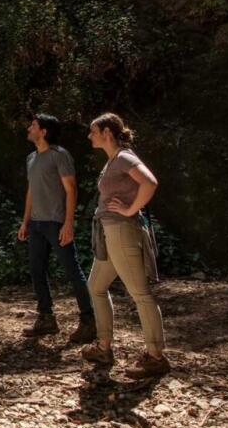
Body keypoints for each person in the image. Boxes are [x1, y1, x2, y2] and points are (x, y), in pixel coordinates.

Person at [80, 113, 170, 379]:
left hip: (122, 232)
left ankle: (156, 357)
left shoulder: (123, 157)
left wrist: (131, 210)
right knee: (95, 286)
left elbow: (150, 182)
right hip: (110, 233)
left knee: (140, 294)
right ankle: (104, 348)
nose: (89, 136)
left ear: (107, 132)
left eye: (93, 131)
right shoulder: (112, 161)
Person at [18, 114, 96, 342]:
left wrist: (68, 223)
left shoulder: (59, 156)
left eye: (33, 125)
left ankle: (89, 321)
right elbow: (31, 191)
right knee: (36, 270)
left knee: (72, 271)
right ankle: (46, 318)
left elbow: (71, 189)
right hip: (36, 224)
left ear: (43, 131)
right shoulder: (31, 158)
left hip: (56, 223)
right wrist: (25, 222)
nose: (29, 128)